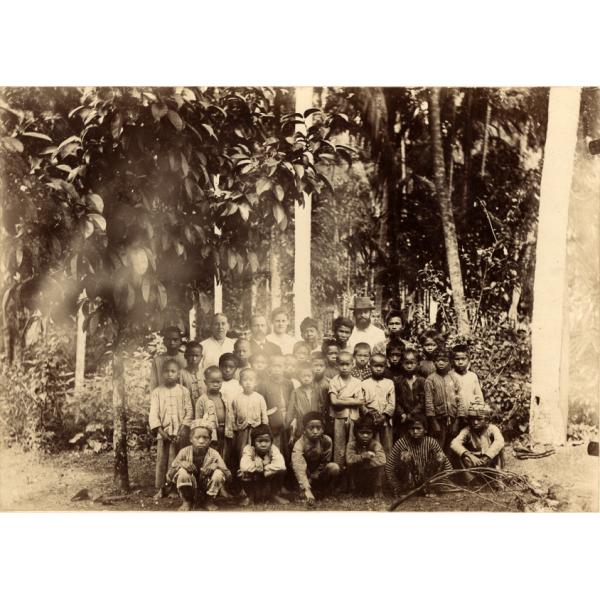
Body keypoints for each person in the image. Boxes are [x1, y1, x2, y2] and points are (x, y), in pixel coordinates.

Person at [149, 358, 193, 498]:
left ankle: (176, 488)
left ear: (178, 373)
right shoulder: (157, 392)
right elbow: (153, 414)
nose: (170, 374)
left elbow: (189, 411)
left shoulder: (184, 391)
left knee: (179, 460)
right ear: (162, 374)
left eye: (173, 371)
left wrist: (182, 430)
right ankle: (162, 488)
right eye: (166, 371)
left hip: (181, 433)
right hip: (164, 433)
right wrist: (161, 431)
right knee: (163, 461)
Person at [166, 422, 231, 511]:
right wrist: (181, 464)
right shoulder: (184, 452)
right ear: (191, 439)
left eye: (205, 438)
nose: (201, 441)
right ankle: (187, 501)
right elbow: (169, 476)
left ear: (210, 439)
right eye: (197, 437)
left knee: (218, 473)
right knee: (182, 472)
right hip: (189, 488)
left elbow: (229, 476)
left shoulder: (214, 454)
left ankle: (209, 501)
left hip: (206, 487)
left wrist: (216, 466)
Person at [385, 413, 452, 497]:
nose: (415, 431)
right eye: (412, 429)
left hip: (427, 480)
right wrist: (397, 487)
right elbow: (389, 467)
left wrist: (439, 486)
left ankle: (430, 489)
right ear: (408, 430)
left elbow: (448, 467)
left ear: (425, 430)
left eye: (418, 428)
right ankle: (407, 490)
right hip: (409, 482)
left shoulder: (431, 442)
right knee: (405, 455)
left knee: (440, 457)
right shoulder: (401, 443)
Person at [291, 411, 340, 504]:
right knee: (298, 470)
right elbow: (299, 468)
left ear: (323, 429)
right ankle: (304, 490)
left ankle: (326, 491)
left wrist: (315, 476)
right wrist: (306, 489)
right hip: (304, 474)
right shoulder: (299, 444)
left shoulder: (327, 441)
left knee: (334, 467)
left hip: (318, 473)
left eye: (318, 428)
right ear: (304, 429)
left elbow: (325, 461)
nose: (315, 431)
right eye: (311, 428)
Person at [450, 401, 505, 483]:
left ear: (486, 420)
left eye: (479, 419)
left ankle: (498, 477)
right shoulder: (467, 430)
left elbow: (500, 441)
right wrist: (469, 455)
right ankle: (471, 479)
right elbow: (454, 443)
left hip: (489, 462)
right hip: (473, 463)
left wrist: (487, 456)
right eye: (472, 419)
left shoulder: (492, 429)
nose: (475, 422)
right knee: (458, 453)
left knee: (499, 450)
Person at [328, 351, 365, 471]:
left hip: (354, 418)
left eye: (347, 364)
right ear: (337, 365)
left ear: (352, 364)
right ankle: (339, 477)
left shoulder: (357, 382)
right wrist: (352, 400)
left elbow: (361, 402)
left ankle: (351, 479)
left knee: (352, 445)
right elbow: (334, 402)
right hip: (339, 418)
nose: (344, 367)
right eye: (341, 364)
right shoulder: (334, 381)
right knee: (339, 447)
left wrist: (342, 399)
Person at [424, 347, 466, 451]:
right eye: (438, 360)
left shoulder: (454, 378)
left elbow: (460, 400)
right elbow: (429, 402)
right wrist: (434, 422)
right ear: (434, 362)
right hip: (438, 420)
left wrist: (457, 422)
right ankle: (437, 467)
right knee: (437, 448)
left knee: (451, 448)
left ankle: (449, 467)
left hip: (453, 419)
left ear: (450, 362)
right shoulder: (430, 379)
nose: (441, 363)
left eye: (444, 360)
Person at [239, 424, 288, 506]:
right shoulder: (248, 449)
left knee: (282, 471)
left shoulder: (274, 449)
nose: (263, 444)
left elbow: (281, 465)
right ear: (253, 442)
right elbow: (244, 466)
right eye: (260, 441)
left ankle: (274, 495)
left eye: (266, 441)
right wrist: (257, 468)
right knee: (242, 473)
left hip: (268, 476)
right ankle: (250, 497)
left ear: (271, 442)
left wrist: (264, 467)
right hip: (254, 478)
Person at [230, 368, 269, 472]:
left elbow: (264, 415)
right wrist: (234, 430)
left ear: (256, 382)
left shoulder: (259, 398)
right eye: (245, 380)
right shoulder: (236, 398)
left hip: (256, 431)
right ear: (240, 382)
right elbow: (233, 416)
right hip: (242, 432)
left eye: (251, 380)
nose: (248, 383)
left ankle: (256, 474)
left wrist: (264, 429)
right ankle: (243, 474)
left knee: (256, 452)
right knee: (242, 452)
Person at [360, 353, 395, 456]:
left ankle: (387, 469)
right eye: (376, 366)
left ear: (386, 366)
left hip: (385, 421)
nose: (378, 369)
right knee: (371, 446)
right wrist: (369, 415)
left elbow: (392, 403)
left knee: (387, 446)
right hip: (370, 420)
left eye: (381, 366)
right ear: (369, 366)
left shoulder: (389, 383)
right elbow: (361, 403)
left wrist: (384, 416)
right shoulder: (364, 383)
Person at [256, 354, 294, 450]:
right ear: (269, 367)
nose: (277, 369)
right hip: (272, 421)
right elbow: (261, 405)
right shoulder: (264, 384)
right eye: (274, 366)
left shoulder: (288, 383)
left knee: (287, 446)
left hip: (286, 418)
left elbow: (292, 402)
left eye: (279, 366)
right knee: (275, 447)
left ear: (284, 367)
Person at [346, 413, 387, 497]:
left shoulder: (375, 444)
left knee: (380, 467)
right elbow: (349, 460)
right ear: (356, 433)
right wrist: (362, 456)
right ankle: (353, 489)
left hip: (370, 475)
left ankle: (377, 488)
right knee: (350, 467)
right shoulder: (352, 444)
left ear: (373, 434)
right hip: (358, 474)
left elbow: (382, 460)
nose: (365, 436)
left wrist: (367, 462)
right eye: (362, 432)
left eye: (368, 433)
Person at [195, 366, 230, 458]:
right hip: (210, 433)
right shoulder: (202, 400)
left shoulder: (225, 397)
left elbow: (230, 414)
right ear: (205, 382)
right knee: (211, 454)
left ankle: (223, 470)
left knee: (225, 454)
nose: (216, 384)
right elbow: (198, 420)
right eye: (212, 382)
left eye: (218, 382)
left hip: (225, 431)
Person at [393, 349, 426, 441]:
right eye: (406, 363)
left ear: (418, 364)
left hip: (419, 418)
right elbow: (395, 400)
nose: (409, 366)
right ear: (402, 364)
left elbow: (423, 401)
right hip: (403, 420)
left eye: (412, 363)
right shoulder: (398, 381)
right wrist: (402, 414)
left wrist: (410, 415)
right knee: (403, 441)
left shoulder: (422, 381)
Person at [286, 361, 321, 442]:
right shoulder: (295, 392)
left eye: (309, 376)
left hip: (315, 423)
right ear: (299, 377)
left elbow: (321, 407)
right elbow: (291, 409)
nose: (306, 378)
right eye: (303, 376)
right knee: (302, 442)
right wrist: (288, 424)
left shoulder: (317, 391)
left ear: (313, 376)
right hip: (301, 423)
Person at [149, 326, 187, 390]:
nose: (172, 342)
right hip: (162, 396)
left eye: (175, 339)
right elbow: (153, 384)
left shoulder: (186, 359)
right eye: (169, 339)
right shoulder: (157, 360)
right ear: (164, 341)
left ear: (180, 341)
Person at [451, 343, 484, 415]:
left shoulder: (472, 376)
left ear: (469, 360)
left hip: (470, 416)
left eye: (463, 359)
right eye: (457, 359)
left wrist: (478, 408)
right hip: (454, 416)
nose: (460, 362)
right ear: (452, 360)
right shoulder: (449, 376)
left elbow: (479, 398)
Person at [180, 341, 206, 407]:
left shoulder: (205, 373)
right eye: (191, 355)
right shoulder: (180, 374)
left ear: (201, 357)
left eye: (197, 356)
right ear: (185, 356)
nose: (194, 359)